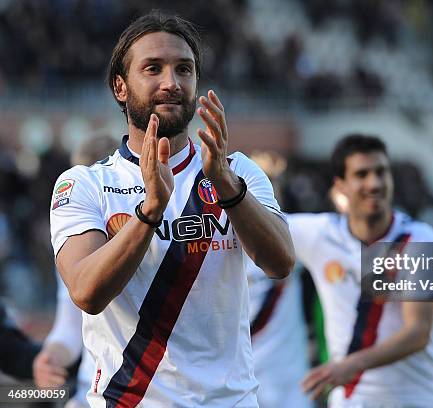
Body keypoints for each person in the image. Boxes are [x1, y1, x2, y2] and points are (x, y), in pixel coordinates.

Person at [50, 11, 295, 408]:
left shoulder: (237, 171)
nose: (172, 83)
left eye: (184, 69)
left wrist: (228, 188)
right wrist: (151, 211)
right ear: (120, 86)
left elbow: (281, 263)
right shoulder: (83, 184)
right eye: (153, 69)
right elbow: (85, 292)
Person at [290, 135, 433, 407]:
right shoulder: (319, 234)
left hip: (415, 398)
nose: (374, 183)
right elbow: (262, 226)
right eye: (361, 174)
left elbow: (418, 331)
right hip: (352, 399)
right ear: (340, 185)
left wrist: (350, 365)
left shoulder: (420, 239)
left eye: (381, 172)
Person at [34, 135, 118, 408]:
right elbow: (70, 330)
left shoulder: (157, 232)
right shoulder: (73, 243)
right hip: (91, 394)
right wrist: (51, 356)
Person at [247, 151, 312, 408]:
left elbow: (355, 238)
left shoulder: (293, 232)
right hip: (229, 384)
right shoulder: (214, 236)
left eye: (272, 184)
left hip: (286, 386)